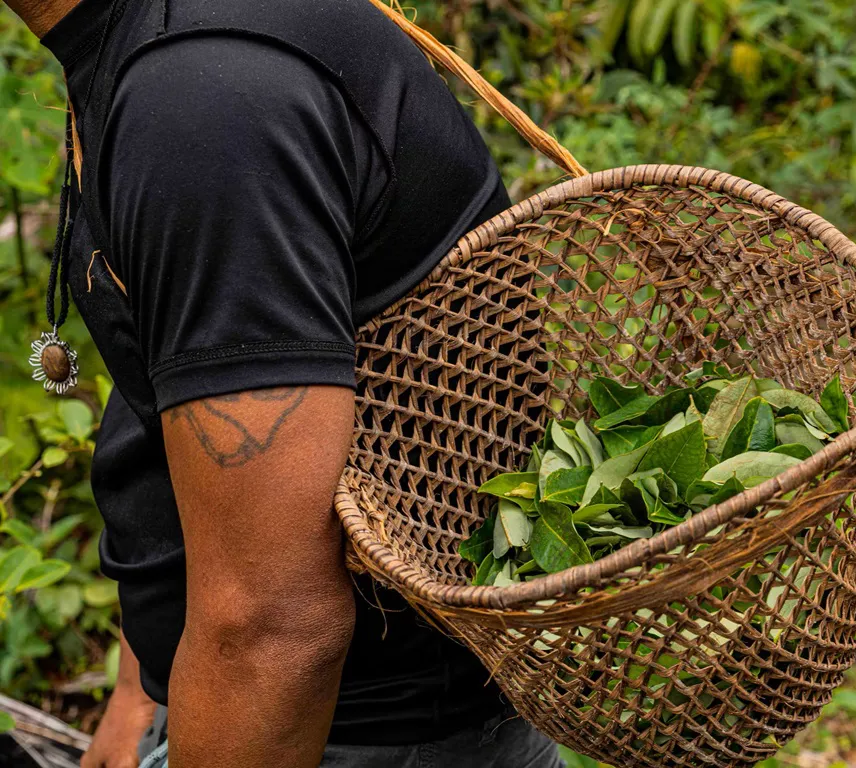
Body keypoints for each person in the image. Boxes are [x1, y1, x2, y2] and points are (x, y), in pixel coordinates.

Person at [7, 0, 565, 766]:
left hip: (352, 736)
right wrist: (146, 679)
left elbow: (274, 629)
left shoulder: (202, 100)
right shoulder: (158, 45)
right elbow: (193, 368)